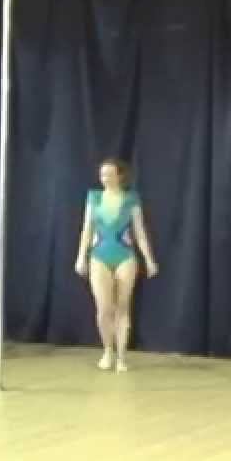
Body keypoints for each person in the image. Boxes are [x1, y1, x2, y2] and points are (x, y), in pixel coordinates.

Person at [74, 158, 159, 372]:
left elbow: (140, 232)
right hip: (99, 256)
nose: (105, 178)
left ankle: (121, 356)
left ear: (120, 176)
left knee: (122, 306)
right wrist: (81, 257)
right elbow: (87, 229)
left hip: (125, 256)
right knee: (104, 308)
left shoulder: (131, 199)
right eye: (102, 175)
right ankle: (107, 351)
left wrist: (149, 259)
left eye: (110, 174)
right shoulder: (94, 197)